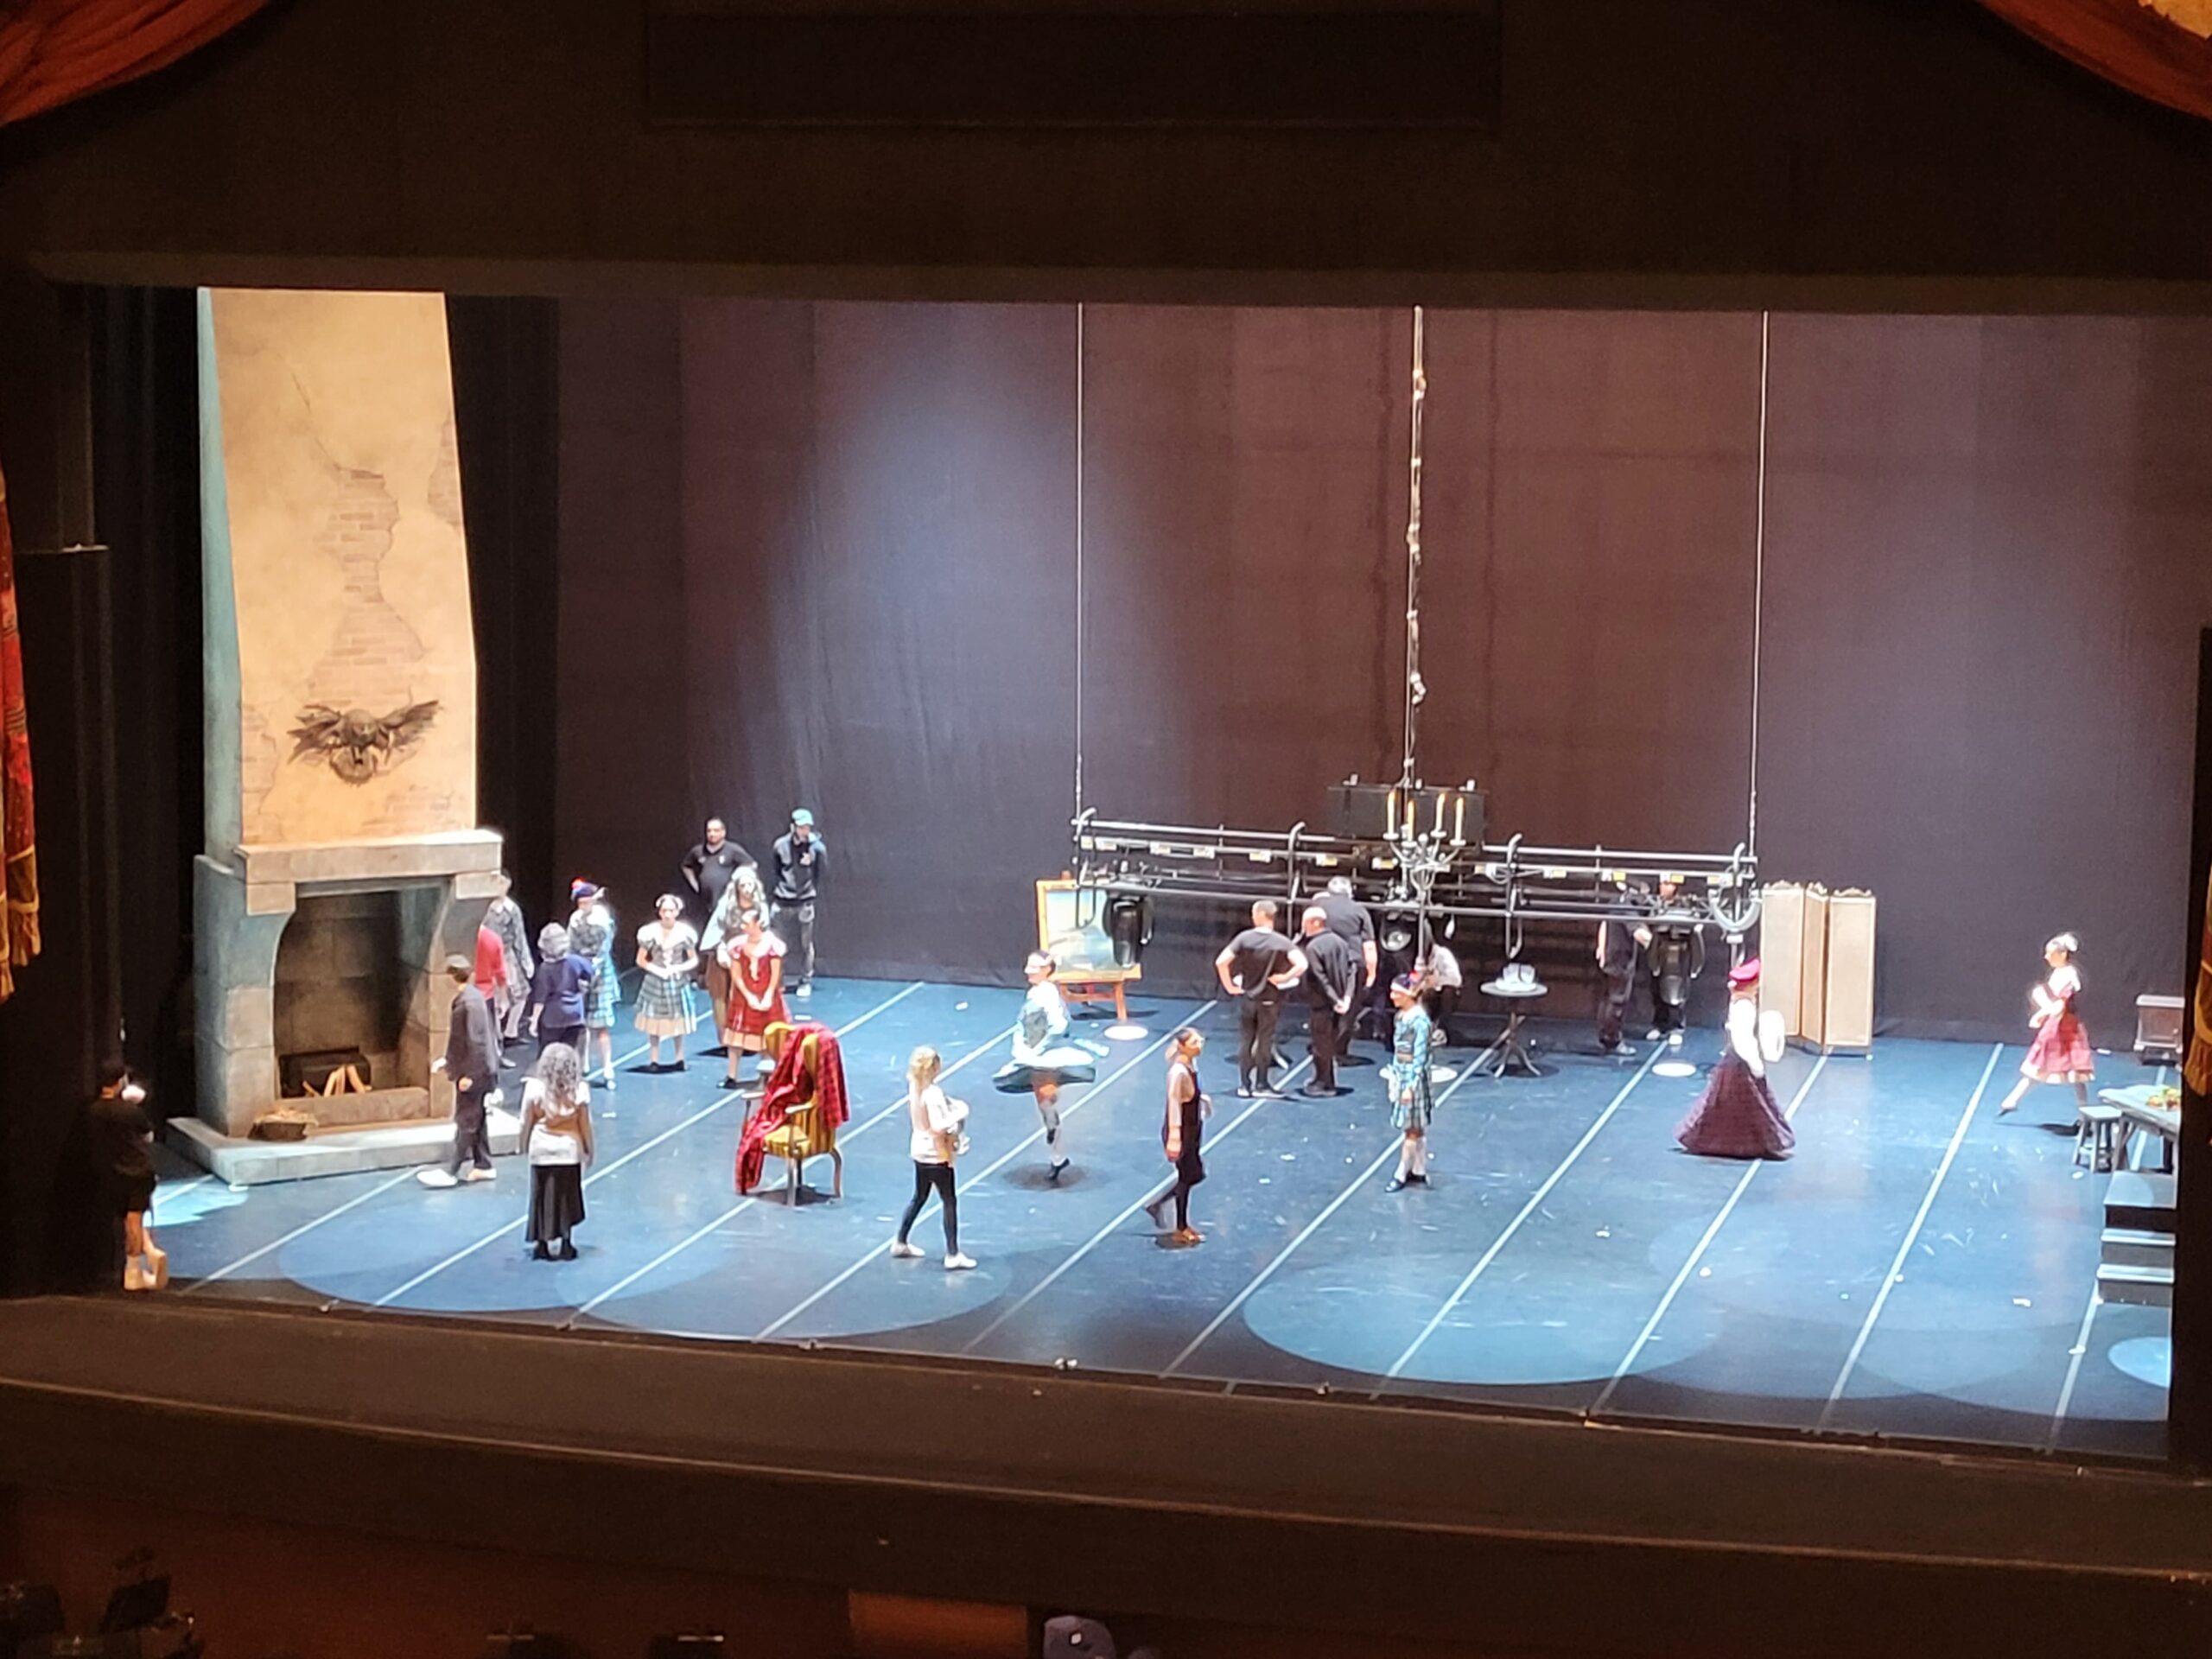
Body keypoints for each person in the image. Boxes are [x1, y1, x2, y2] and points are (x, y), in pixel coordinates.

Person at [1675, 959, 1794, 1159]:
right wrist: (1755, 1065)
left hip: (1735, 1063)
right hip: (1740, 1065)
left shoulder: (1741, 1004)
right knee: (1745, 1105)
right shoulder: (1743, 1008)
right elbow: (1743, 1040)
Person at [993, 951, 1097, 1179]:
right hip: (1033, 1054)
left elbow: (1059, 1025)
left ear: (1046, 970)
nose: (1027, 971)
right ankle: (1055, 1144)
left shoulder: (1047, 995)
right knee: (1043, 1102)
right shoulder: (1036, 992)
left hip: (1045, 1056)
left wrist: (1040, 1048)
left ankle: (1056, 1146)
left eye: (1034, 967)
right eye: (1028, 966)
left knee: (1045, 1099)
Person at [420, 954, 503, 1188]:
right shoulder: (473, 998)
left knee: (466, 1120)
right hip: (479, 1069)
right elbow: (463, 1040)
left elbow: (476, 1042)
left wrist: (469, 1075)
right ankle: (483, 1165)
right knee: (477, 1118)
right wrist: (447, 1061)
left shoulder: (468, 1003)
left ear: (451, 977)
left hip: (476, 1072)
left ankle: (452, 1170)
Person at [891, 1046, 975, 1269]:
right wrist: (960, 1113)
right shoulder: (932, 1093)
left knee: (919, 1196)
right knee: (949, 1200)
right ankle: (953, 1254)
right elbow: (938, 1126)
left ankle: (900, 1241)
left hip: (919, 1150)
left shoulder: (915, 1087)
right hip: (936, 1154)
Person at [1999, 933, 2095, 1119]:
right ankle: (2013, 1099)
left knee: (2068, 1068)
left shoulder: (2068, 975)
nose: (2046, 957)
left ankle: (2084, 1112)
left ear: (2062, 954)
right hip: (2058, 1023)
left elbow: (2060, 1005)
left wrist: (2040, 1014)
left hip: (2064, 1027)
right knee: (2043, 1063)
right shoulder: (2059, 973)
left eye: (2051, 953)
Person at [1215, 900, 1306, 1096]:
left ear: (1259, 915)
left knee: (1246, 1040)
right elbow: (1302, 964)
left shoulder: (1244, 938)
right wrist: (1285, 977)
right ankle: (1262, 1085)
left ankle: (1244, 1085)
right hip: (1269, 1000)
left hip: (1247, 998)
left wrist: (1229, 986)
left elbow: (1221, 962)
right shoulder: (1281, 942)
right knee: (1264, 1041)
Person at [89, 1065, 163, 1291]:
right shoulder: (129, 1111)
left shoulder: (93, 1111)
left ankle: (149, 1250)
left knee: (127, 1218)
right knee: (134, 1218)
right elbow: (148, 1135)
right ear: (120, 1081)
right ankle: (133, 1271)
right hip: (136, 1171)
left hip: (110, 1172)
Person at [518, 1040, 594, 1261]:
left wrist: (522, 1144)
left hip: (541, 1152)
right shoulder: (579, 1091)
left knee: (541, 1196)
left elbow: (526, 1121)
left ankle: (541, 1244)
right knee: (566, 1197)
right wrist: (589, 1149)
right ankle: (566, 1243)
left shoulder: (534, 1089)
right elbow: (585, 1125)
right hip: (569, 1153)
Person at [1142, 1027, 1211, 1244]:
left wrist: (1203, 1100)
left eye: (1200, 1041)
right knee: (1186, 1178)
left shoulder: (1191, 1065)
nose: (1199, 1046)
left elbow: (1189, 1093)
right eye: (1194, 1043)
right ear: (1183, 1046)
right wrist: (1174, 1137)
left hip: (1193, 1127)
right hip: (1182, 1130)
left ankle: (1158, 1205)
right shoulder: (1178, 1072)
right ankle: (1181, 1227)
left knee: (1195, 1174)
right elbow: (1173, 1102)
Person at [719, 908, 789, 1093]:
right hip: (744, 998)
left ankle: (767, 1074)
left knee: (767, 1038)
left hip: (766, 996)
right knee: (736, 1038)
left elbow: (775, 974)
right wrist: (748, 995)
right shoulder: (738, 945)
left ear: (758, 924)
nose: (742, 927)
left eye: (746, 923)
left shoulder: (772, 945)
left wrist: (767, 995)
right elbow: (736, 974)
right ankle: (731, 1075)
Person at [700, 855, 768, 1044]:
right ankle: (724, 1036)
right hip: (724, 953)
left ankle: (748, 1034)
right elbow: (716, 931)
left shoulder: (760, 907)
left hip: (749, 955)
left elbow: (763, 931)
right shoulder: (726, 906)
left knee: (748, 994)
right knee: (720, 996)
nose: (746, 889)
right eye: (742, 885)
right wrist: (721, 949)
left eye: (749, 885)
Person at [633, 893, 702, 1071]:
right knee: (654, 1021)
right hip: (656, 981)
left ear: (677, 912)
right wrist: (656, 970)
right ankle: (654, 1059)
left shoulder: (684, 933)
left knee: (677, 1020)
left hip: (676, 982)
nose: (668, 914)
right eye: (664, 911)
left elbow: (693, 959)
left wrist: (679, 968)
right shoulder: (650, 932)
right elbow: (640, 959)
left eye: (671, 910)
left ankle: (679, 1058)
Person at [1313, 875, 1378, 1056]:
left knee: (1323, 1006)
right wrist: (1372, 972)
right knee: (1349, 1009)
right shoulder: (1359, 910)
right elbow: (1369, 945)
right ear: (1350, 892)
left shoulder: (1318, 907)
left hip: (1322, 960)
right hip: (1352, 963)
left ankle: (1322, 1046)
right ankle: (1339, 1049)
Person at [1297, 906, 1357, 1097]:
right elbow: (1352, 970)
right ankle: (1322, 1079)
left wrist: (1335, 1000)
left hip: (1323, 1004)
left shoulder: (1313, 947)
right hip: (1340, 1003)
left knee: (1320, 1045)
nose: (1303, 927)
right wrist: (1347, 996)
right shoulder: (1341, 942)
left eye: (1306, 923)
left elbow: (1320, 977)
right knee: (1329, 1044)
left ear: (1315, 923)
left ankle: (1325, 1083)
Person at [1384, 973, 1437, 1192]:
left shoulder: (1419, 1021)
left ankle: (1402, 1173)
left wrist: (1410, 1086)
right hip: (1402, 1074)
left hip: (1412, 1080)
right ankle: (1419, 1169)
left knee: (1411, 1129)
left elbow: (1420, 1056)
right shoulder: (1401, 1017)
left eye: (1396, 992)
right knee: (1416, 1127)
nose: (1392, 996)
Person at [567, 880, 621, 1092]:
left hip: (600, 972)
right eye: (580, 902)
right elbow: (571, 946)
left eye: (586, 901)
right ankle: (583, 1064)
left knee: (601, 1025)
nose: (583, 906)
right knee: (582, 1024)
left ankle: (608, 1068)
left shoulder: (602, 919)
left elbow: (605, 947)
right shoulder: (575, 920)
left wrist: (594, 967)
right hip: (581, 971)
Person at [771, 808, 827, 999]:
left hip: (804, 903)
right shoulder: (780, 845)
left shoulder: (817, 848)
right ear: (793, 827)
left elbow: (821, 872)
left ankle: (806, 981)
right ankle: (777, 980)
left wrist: (809, 891)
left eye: (808, 827)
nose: (805, 831)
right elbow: (777, 870)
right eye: (801, 827)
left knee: (805, 945)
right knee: (777, 944)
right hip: (782, 902)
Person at [1643, 876, 1705, 1041]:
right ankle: (1659, 1025)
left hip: (1681, 954)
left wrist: (1696, 963)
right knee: (1657, 990)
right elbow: (1652, 927)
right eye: (1662, 884)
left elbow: (1694, 933)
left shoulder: (1686, 904)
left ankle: (1676, 1027)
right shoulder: (1656, 904)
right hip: (1660, 952)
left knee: (1678, 991)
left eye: (1668, 884)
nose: (1664, 888)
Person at [1594, 888, 1650, 1056]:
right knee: (1617, 1001)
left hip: (1609, 956)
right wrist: (1656, 946)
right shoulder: (1628, 909)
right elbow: (1639, 933)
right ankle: (1613, 1040)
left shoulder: (1616, 902)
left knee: (1607, 1000)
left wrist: (1601, 947)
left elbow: (1604, 923)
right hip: (1620, 961)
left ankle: (1605, 1037)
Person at [483, 872, 535, 1047]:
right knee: (494, 999)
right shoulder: (485, 908)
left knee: (521, 993)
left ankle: (511, 1032)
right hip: (489, 957)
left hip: (507, 955)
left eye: (502, 883)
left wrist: (526, 961)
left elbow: (519, 936)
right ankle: (495, 1038)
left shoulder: (512, 909)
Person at [528, 922, 594, 1056]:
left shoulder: (545, 969)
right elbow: (591, 973)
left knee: (548, 1054)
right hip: (575, 1015)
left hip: (553, 1018)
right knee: (569, 1052)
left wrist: (534, 1021)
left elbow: (540, 999)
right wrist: (583, 988)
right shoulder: (576, 961)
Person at [1425, 936, 1465, 1044]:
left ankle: (1440, 1028)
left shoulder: (1442, 954)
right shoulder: (1416, 956)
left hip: (1442, 994)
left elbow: (1456, 980)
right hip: (1424, 993)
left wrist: (1437, 981)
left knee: (1448, 992)